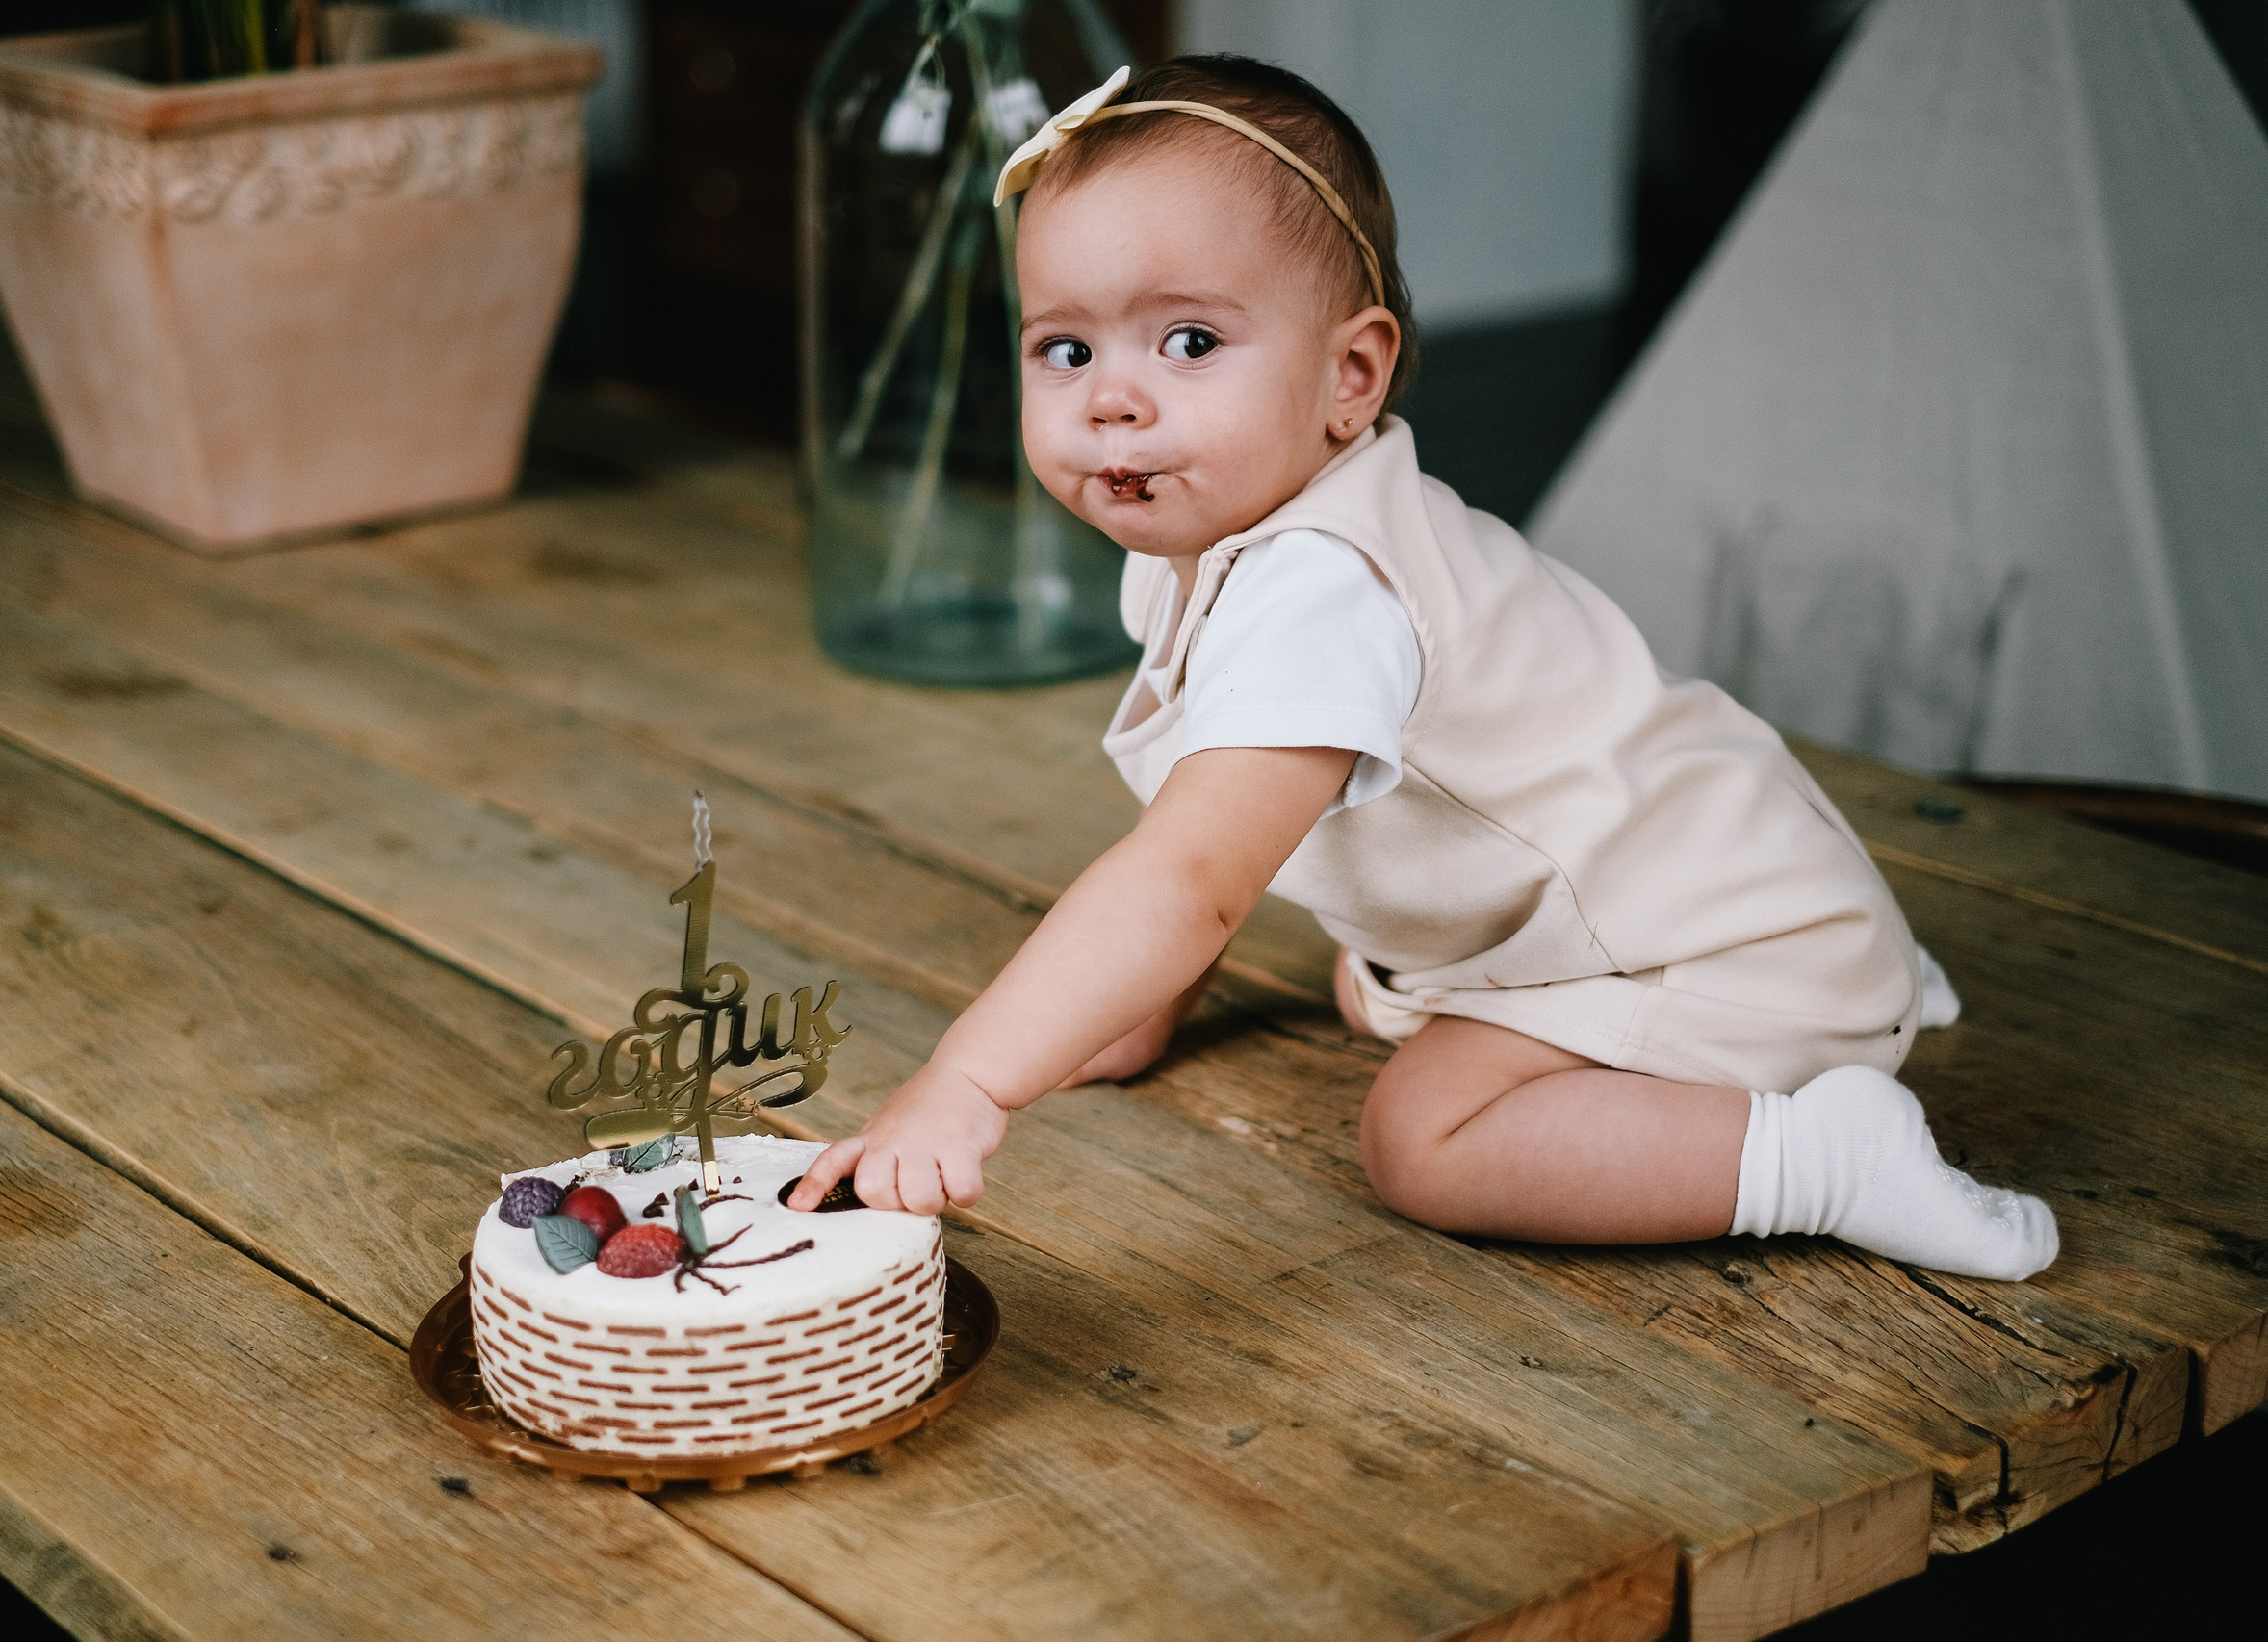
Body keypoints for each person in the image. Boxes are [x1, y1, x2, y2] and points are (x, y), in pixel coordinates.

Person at [789, 56, 2056, 1281]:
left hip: (1722, 948)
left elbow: (1190, 877)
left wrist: (971, 1074)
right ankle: (1803, 1006)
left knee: (1426, 1139)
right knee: (1369, 981)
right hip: (1691, 875)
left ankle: (1819, 1152)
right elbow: (1209, 801)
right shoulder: (1209, 533)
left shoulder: (1326, 591)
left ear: (1352, 375)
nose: (1112, 398)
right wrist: (1134, 996)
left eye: (1186, 342)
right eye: (1066, 349)